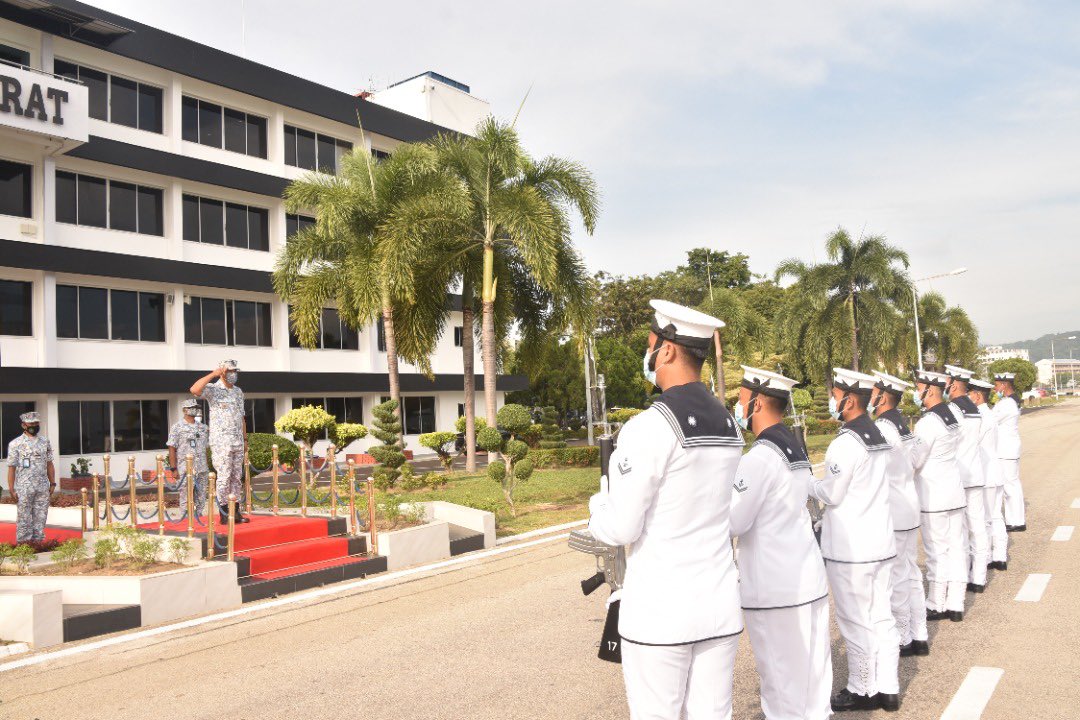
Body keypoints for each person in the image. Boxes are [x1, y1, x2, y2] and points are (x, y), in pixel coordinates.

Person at [587, 299, 744, 720]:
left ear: (669, 350)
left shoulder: (649, 427)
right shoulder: (729, 425)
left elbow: (619, 527)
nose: (649, 355)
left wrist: (598, 502)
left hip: (662, 614)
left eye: (650, 345)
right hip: (718, 607)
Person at [730, 366, 831, 720]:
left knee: (781, 684)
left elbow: (734, 520)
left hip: (775, 589)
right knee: (813, 682)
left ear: (757, 403)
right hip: (805, 578)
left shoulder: (758, 458)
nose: (736, 406)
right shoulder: (793, 447)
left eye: (740, 399)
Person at [809, 368, 900, 713]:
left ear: (848, 400)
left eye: (834, 396)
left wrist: (806, 481)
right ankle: (888, 685)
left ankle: (863, 688)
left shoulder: (845, 442)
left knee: (855, 620)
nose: (833, 401)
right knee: (882, 617)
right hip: (880, 542)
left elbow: (831, 493)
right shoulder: (877, 434)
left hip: (852, 549)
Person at [870, 370, 929, 657]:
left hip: (893, 510)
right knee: (910, 571)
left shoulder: (882, 428)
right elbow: (918, 458)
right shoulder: (903, 425)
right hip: (908, 503)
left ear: (882, 397)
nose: (869, 396)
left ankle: (904, 635)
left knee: (895, 576)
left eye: (872, 392)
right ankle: (919, 632)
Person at [909, 370, 967, 623]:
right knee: (956, 549)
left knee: (936, 552)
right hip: (954, 491)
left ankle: (935, 602)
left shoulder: (927, 423)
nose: (915, 392)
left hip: (934, 496)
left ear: (930, 390)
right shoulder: (953, 414)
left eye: (918, 387)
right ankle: (956, 602)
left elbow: (915, 460)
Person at [943, 365, 989, 594]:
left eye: (947, 381)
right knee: (978, 527)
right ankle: (979, 577)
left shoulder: (952, 409)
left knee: (959, 532)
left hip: (959, 476)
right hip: (975, 473)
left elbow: (947, 441)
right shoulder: (974, 408)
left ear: (953, 384)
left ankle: (961, 578)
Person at [190, 361, 249, 524]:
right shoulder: (214, 389)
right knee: (224, 476)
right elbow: (194, 389)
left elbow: (242, 417)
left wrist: (245, 439)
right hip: (221, 441)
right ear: (222, 372)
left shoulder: (238, 392)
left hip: (237, 440)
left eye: (235, 371)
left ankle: (235, 511)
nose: (234, 374)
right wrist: (212, 374)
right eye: (230, 371)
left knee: (237, 477)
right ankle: (224, 512)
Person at [969, 378, 1008, 570]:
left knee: (984, 518)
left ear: (976, 396)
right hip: (996, 471)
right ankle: (1000, 555)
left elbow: (972, 444)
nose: (968, 397)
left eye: (970, 394)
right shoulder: (990, 414)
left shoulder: (979, 417)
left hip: (985, 473)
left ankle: (985, 558)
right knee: (996, 516)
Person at [5, 411, 56, 544]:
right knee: (24, 518)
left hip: (42, 487)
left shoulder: (45, 442)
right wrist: (11, 488)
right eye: (31, 423)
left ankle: (38, 544)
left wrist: (53, 483)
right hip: (24, 487)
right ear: (24, 425)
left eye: (36, 423)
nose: (34, 425)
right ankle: (24, 545)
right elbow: (12, 468)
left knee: (41, 516)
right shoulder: (15, 444)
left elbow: (49, 464)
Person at [992, 372, 1025, 532]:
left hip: (1006, 449)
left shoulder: (1007, 404)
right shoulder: (1010, 401)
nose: (994, 388)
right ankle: (1015, 519)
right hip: (1008, 448)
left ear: (1004, 385)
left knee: (1010, 486)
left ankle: (1016, 521)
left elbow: (991, 420)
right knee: (1012, 484)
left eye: (997, 385)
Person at [167, 398, 210, 513]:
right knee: (185, 496)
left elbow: (207, 447)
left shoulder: (203, 428)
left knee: (201, 496)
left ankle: (199, 517)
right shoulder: (177, 427)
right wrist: (173, 468)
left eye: (196, 408)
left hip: (201, 468)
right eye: (192, 408)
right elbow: (172, 448)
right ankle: (186, 520)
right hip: (185, 468)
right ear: (185, 410)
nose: (194, 410)